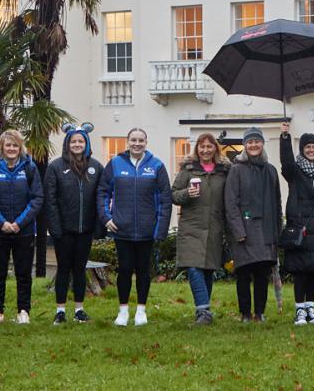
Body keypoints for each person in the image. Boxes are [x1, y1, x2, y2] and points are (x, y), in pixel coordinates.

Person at [98, 127, 172, 327]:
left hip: (147, 231)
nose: (137, 144)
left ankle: (141, 310)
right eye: (133, 140)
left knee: (143, 271)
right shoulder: (115, 164)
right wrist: (106, 218)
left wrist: (160, 229)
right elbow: (103, 192)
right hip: (122, 229)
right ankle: (123, 311)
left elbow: (165, 199)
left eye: (141, 140)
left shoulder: (157, 166)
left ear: (146, 143)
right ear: (128, 142)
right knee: (124, 270)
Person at [0, 129, 43, 326]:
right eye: (8, 145)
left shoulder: (30, 168)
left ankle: (23, 311)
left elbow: (37, 199)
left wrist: (19, 223)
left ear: (20, 147)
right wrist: (2, 223)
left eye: (15, 145)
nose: (12, 148)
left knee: (24, 274)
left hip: (24, 231)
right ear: (2, 147)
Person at [45, 123, 103, 326]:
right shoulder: (55, 167)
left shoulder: (96, 167)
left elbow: (101, 197)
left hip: (85, 229)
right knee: (63, 268)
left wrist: (98, 226)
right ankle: (60, 310)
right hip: (63, 230)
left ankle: (79, 310)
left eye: (81, 141)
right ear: (67, 144)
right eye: (73, 141)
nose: (77, 144)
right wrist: (55, 227)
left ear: (86, 144)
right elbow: (50, 200)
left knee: (80, 269)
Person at [171, 133, 231, 325]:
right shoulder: (188, 170)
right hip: (191, 227)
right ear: (197, 149)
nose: (205, 150)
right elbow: (173, 195)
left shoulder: (224, 172)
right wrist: (187, 193)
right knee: (193, 266)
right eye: (202, 146)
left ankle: (203, 312)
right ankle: (203, 311)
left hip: (214, 227)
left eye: (209, 146)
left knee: (207, 269)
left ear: (215, 149)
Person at [280, 122, 314, 326]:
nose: (311, 150)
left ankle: (311, 308)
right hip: (302, 228)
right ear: (302, 149)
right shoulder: (295, 171)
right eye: (307, 147)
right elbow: (286, 162)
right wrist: (285, 138)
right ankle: (299, 310)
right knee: (301, 271)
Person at [225, 127, 282, 322]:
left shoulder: (271, 170)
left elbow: (277, 203)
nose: (253, 145)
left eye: (257, 141)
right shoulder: (236, 170)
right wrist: (238, 231)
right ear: (244, 145)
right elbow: (230, 203)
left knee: (262, 274)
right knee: (243, 273)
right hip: (244, 231)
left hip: (266, 231)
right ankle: (245, 314)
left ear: (262, 143)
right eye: (249, 142)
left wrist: (277, 231)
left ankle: (259, 313)